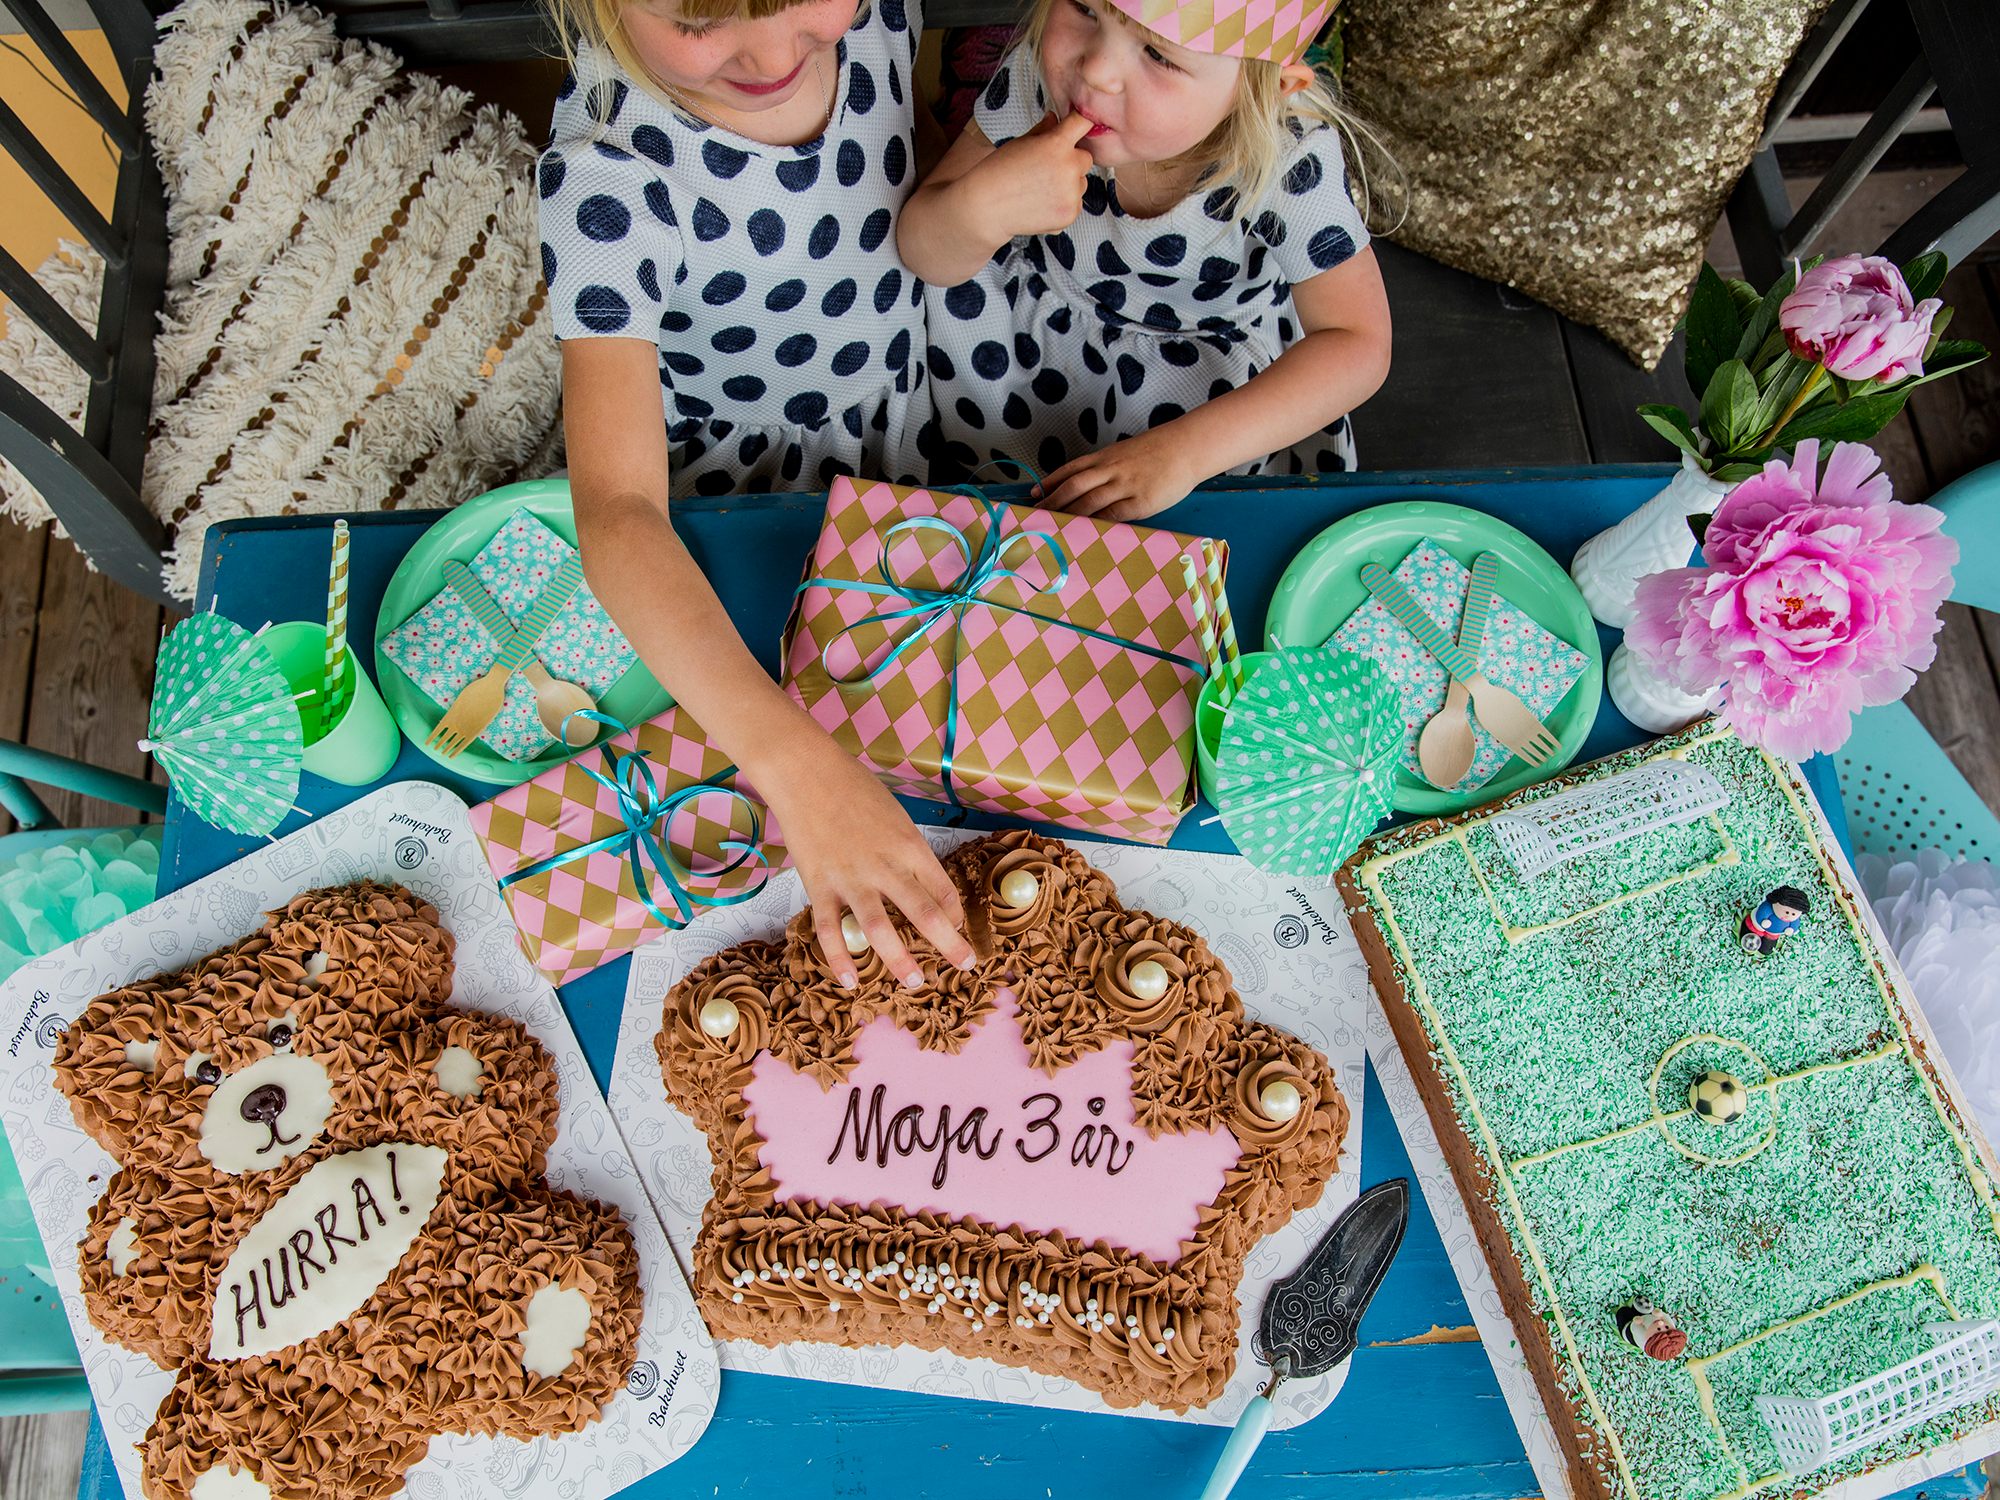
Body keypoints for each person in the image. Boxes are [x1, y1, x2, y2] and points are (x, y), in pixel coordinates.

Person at [536, 0, 974, 986]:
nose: (775, 54)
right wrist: (798, 771)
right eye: (700, 17)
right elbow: (616, 515)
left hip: (896, 419)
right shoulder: (606, 175)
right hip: (732, 512)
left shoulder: (872, 14)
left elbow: (897, 157)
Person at [895, 0, 1394, 521]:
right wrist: (980, 208)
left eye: (1159, 54)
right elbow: (922, 247)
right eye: (1085, 8)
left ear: (1266, 86)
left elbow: (1357, 343)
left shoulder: (1286, 152)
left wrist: (1184, 454)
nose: (1095, 70)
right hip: (1022, 383)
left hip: (1205, 424)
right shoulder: (1035, 85)